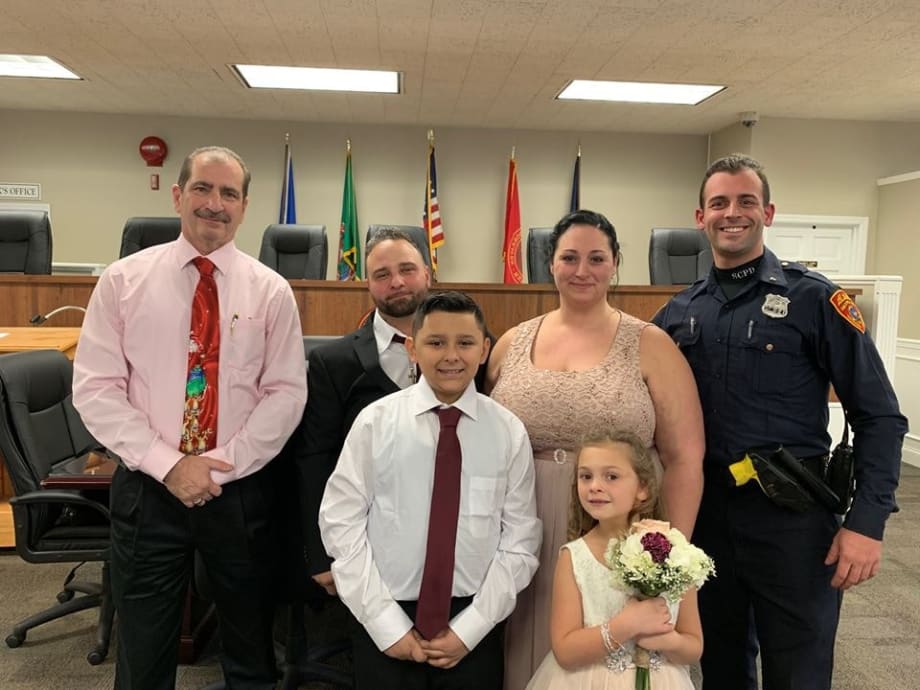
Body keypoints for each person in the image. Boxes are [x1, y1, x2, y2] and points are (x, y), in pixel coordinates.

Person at [653, 154, 908, 689]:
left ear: (767, 212)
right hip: (709, 520)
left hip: (792, 520)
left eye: (746, 201)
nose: (732, 213)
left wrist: (867, 522)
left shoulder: (813, 299)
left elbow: (879, 416)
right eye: (719, 203)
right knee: (719, 664)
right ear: (700, 217)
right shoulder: (677, 314)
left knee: (799, 670)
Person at [73, 146, 307, 690]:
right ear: (178, 196)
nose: (215, 204)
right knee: (143, 649)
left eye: (229, 193)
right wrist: (170, 465)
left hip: (240, 490)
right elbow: (97, 388)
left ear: (245, 207)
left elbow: (284, 394)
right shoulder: (123, 281)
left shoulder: (271, 291)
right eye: (203, 188)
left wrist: (217, 468)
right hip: (149, 488)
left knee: (250, 647)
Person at [487, 209, 704, 689]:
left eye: (596, 258)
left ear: (615, 264)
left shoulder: (652, 344)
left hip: (619, 527)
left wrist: (668, 554)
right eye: (569, 257)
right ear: (551, 264)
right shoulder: (510, 344)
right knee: (528, 638)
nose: (582, 270)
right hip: (524, 517)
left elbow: (685, 457)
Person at [319, 291, 541, 689]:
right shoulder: (376, 423)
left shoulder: (508, 431)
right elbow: (341, 523)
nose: (451, 356)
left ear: (485, 348)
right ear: (412, 349)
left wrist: (471, 629)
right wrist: (386, 625)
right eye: (436, 342)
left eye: (466, 343)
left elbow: (520, 541)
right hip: (385, 609)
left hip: (473, 616)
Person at [295, 227, 431, 595]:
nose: (397, 282)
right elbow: (315, 459)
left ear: (428, 274)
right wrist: (322, 554)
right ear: (367, 285)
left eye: (407, 269)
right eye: (382, 275)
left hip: (450, 534)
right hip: (364, 535)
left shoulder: (470, 354)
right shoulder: (332, 362)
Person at [526, 429, 700, 690]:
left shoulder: (675, 553)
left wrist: (668, 642)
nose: (595, 485)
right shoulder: (574, 556)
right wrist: (625, 626)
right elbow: (565, 651)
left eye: (611, 476)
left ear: (642, 488)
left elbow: (694, 646)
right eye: (586, 476)